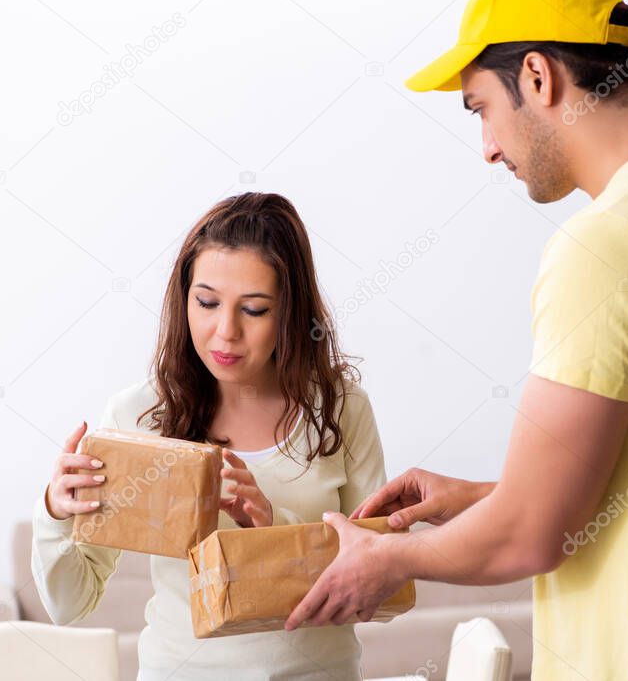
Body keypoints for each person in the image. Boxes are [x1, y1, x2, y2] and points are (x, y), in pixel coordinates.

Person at [286, 0, 628, 678]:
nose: (487, 147)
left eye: (480, 107)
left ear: (539, 78)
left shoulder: (612, 243)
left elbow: (533, 532)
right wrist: (485, 497)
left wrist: (388, 559)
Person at [32, 192, 387, 680]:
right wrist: (54, 512)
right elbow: (70, 605)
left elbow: (381, 581)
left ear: (289, 311)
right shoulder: (139, 415)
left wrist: (271, 528)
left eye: (255, 310)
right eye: (206, 302)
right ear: (184, 300)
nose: (225, 332)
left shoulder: (341, 409)